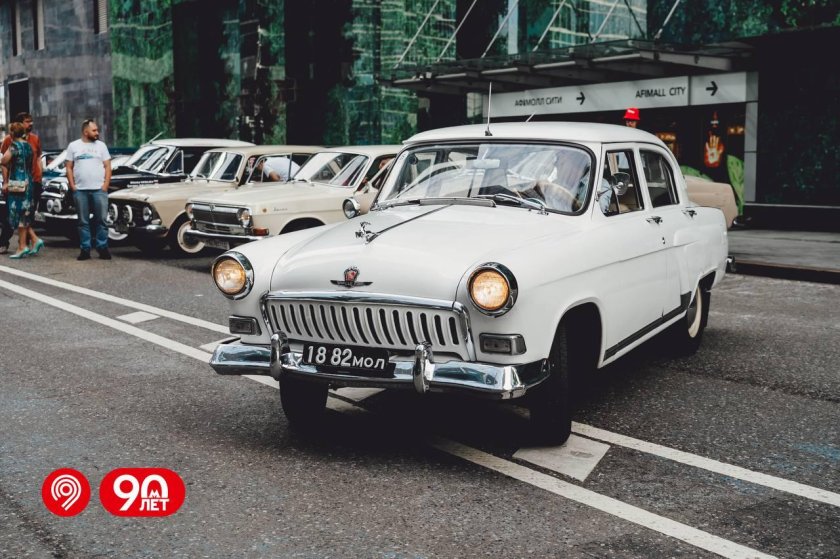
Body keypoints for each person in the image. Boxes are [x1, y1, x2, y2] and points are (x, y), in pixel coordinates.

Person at [65, 118, 112, 261]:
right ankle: (85, 249)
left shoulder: (101, 146)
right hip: (80, 190)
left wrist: (105, 185)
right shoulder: (73, 146)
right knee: (83, 222)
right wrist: (73, 186)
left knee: (102, 220)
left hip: (99, 190)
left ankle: (102, 247)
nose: (97, 133)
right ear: (86, 132)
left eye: (97, 130)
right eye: (94, 130)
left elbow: (108, 166)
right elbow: (69, 167)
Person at [0, 113, 42, 254]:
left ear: (13, 133)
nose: (30, 124)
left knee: (15, 214)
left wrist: (5, 182)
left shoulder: (14, 146)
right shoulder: (27, 145)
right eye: (27, 121)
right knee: (25, 214)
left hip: (17, 183)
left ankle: (26, 244)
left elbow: (3, 161)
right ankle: (25, 244)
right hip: (28, 181)